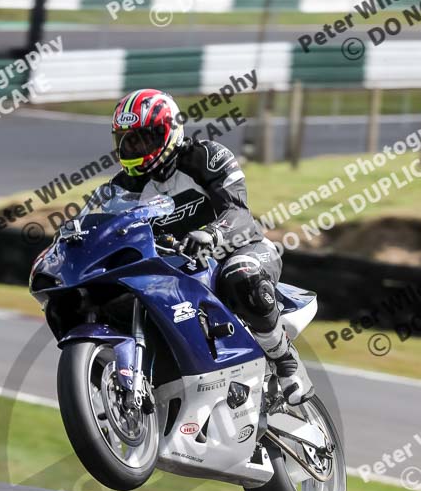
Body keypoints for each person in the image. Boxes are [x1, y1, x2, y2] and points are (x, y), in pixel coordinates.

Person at [109, 88, 313, 405]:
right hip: (180, 269)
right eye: (127, 140)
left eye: (143, 138)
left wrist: (211, 235)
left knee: (239, 274)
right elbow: (100, 226)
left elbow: (240, 214)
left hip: (241, 251)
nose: (134, 147)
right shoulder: (123, 187)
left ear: (168, 132)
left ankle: (286, 362)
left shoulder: (206, 157)